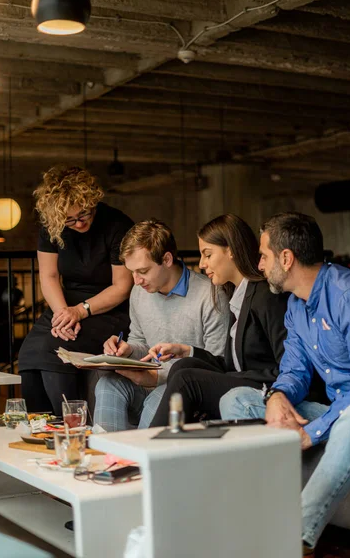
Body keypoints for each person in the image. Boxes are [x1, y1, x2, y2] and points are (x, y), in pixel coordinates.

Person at [219, 212, 350, 556]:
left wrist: (315, 430)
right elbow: (294, 370)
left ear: (286, 259)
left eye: (263, 256)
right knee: (237, 400)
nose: (259, 266)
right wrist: (277, 396)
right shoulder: (296, 305)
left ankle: (294, 539)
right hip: (333, 409)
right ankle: (260, 513)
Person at [147, 213, 290, 427]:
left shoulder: (266, 296)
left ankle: (152, 448)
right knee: (183, 366)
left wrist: (239, 379)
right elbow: (232, 363)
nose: (203, 264)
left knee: (186, 380)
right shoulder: (236, 295)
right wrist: (187, 350)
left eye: (208, 255)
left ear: (230, 250)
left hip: (264, 388)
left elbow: (286, 366)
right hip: (243, 380)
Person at [93, 219, 230, 431]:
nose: (136, 280)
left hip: (187, 392)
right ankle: (106, 459)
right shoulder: (140, 292)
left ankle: (140, 462)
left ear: (166, 259)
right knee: (107, 384)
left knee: (161, 396)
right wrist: (128, 350)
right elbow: (140, 341)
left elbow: (215, 364)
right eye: (132, 272)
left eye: (143, 271)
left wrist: (156, 377)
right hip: (150, 383)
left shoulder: (209, 295)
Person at [18, 165, 134, 415]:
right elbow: (49, 276)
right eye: (70, 220)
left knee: (54, 349)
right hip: (66, 305)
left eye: (84, 214)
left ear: (92, 200)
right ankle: (42, 429)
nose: (80, 223)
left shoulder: (117, 225)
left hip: (108, 307)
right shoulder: (53, 226)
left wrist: (79, 313)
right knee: (29, 352)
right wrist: (63, 315)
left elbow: (122, 286)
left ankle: (70, 427)